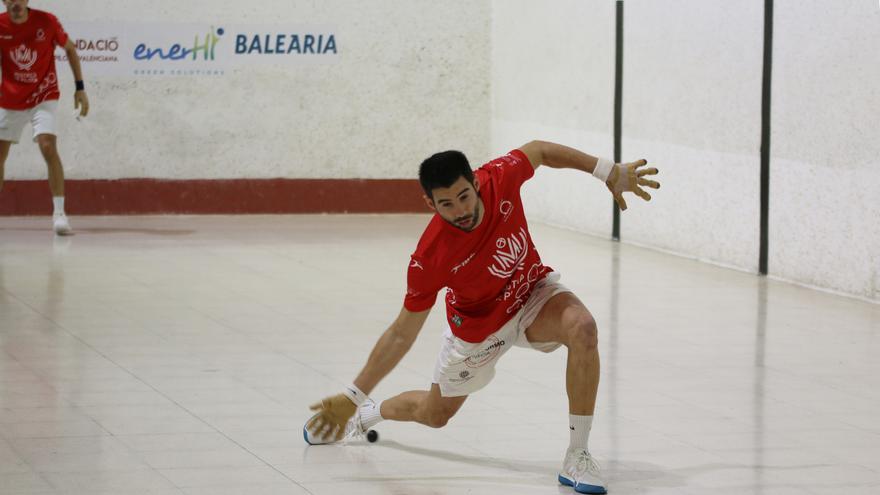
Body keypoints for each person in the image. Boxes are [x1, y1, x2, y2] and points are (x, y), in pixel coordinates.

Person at [304, 141, 660, 494]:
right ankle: (370, 414)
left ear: (475, 183)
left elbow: (540, 150)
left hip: (530, 293)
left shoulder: (499, 177)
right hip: (478, 331)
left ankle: (577, 454)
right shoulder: (430, 258)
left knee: (583, 327)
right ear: (430, 203)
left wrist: (608, 171)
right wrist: (353, 396)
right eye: (446, 203)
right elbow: (401, 333)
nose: (460, 210)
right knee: (435, 415)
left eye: (464, 196)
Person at [0, 0, 89, 234]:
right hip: (10, 99)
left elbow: (70, 49)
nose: (15, 2)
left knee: (47, 145)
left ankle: (59, 214)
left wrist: (80, 88)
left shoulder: (47, 21)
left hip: (44, 94)